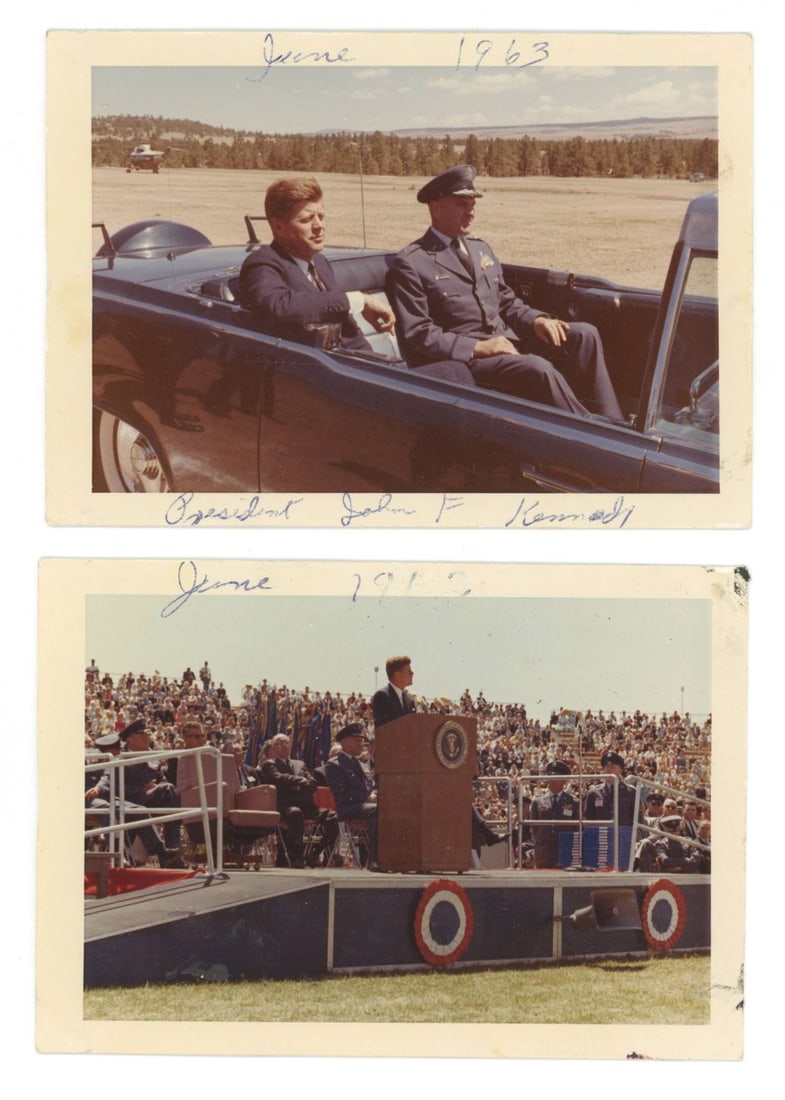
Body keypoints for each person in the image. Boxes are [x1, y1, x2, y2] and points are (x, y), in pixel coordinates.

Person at [387, 164, 623, 419]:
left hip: (508, 341)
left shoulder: (480, 249)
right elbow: (420, 333)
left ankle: (613, 420)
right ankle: (592, 433)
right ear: (435, 208)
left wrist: (536, 320)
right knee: (539, 369)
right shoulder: (413, 261)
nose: (471, 213)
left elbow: (506, 301)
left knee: (585, 335)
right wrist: (479, 347)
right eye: (462, 205)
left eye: (473, 205)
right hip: (471, 361)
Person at [239, 177, 474, 384]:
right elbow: (281, 305)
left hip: (364, 371)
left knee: (455, 371)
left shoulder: (320, 263)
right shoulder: (263, 263)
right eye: (307, 219)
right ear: (278, 226)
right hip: (328, 381)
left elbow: (349, 333)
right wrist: (358, 300)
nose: (319, 226)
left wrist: (385, 368)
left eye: (321, 216)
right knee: (454, 374)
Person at [259, 733, 338, 868]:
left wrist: (295, 785)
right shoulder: (270, 764)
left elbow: (313, 783)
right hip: (286, 807)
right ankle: (297, 856)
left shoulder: (300, 764)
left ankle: (314, 853)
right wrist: (300, 781)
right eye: (280, 743)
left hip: (307, 806)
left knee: (334, 817)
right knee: (295, 813)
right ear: (274, 747)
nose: (284, 746)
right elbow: (278, 779)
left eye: (286, 742)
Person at [119, 718, 184, 865]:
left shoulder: (153, 759)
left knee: (170, 794)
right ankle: (171, 850)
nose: (147, 738)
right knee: (169, 791)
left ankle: (170, 851)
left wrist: (155, 787)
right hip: (130, 800)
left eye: (148, 734)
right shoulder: (121, 759)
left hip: (152, 798)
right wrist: (141, 788)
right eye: (143, 735)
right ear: (130, 739)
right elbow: (116, 787)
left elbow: (162, 780)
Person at [324, 723, 378, 865]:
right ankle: (375, 859)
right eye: (356, 740)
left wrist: (374, 794)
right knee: (376, 810)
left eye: (361, 740)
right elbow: (341, 793)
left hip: (364, 806)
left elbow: (371, 785)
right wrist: (366, 798)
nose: (361, 744)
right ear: (344, 743)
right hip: (348, 808)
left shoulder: (359, 763)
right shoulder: (334, 765)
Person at [529, 760, 578, 868]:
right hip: (544, 851)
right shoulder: (538, 802)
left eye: (556, 776)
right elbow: (534, 828)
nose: (552, 780)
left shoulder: (573, 802)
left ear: (564, 780)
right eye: (550, 776)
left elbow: (577, 829)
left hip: (564, 850)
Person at [583, 750, 638, 827]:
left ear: (620, 769)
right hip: (601, 832)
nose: (608, 770)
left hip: (623, 833)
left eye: (612, 767)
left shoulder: (630, 792)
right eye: (606, 767)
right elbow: (589, 820)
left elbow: (637, 820)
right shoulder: (593, 793)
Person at [372, 655, 417, 727]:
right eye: (408, 671)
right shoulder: (382, 696)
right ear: (397, 675)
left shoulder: (408, 699)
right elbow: (383, 728)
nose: (412, 673)